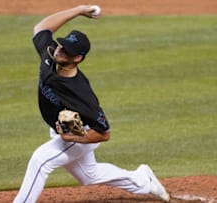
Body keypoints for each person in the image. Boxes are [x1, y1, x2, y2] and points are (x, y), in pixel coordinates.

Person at [13, 5, 170, 203]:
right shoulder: (50, 55)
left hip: (79, 133)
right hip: (61, 129)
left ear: (77, 58)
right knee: (89, 175)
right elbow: (41, 28)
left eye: (67, 51)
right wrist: (78, 10)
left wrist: (72, 136)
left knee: (41, 160)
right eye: (61, 45)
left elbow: (104, 133)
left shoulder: (81, 95)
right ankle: (143, 181)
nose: (60, 51)